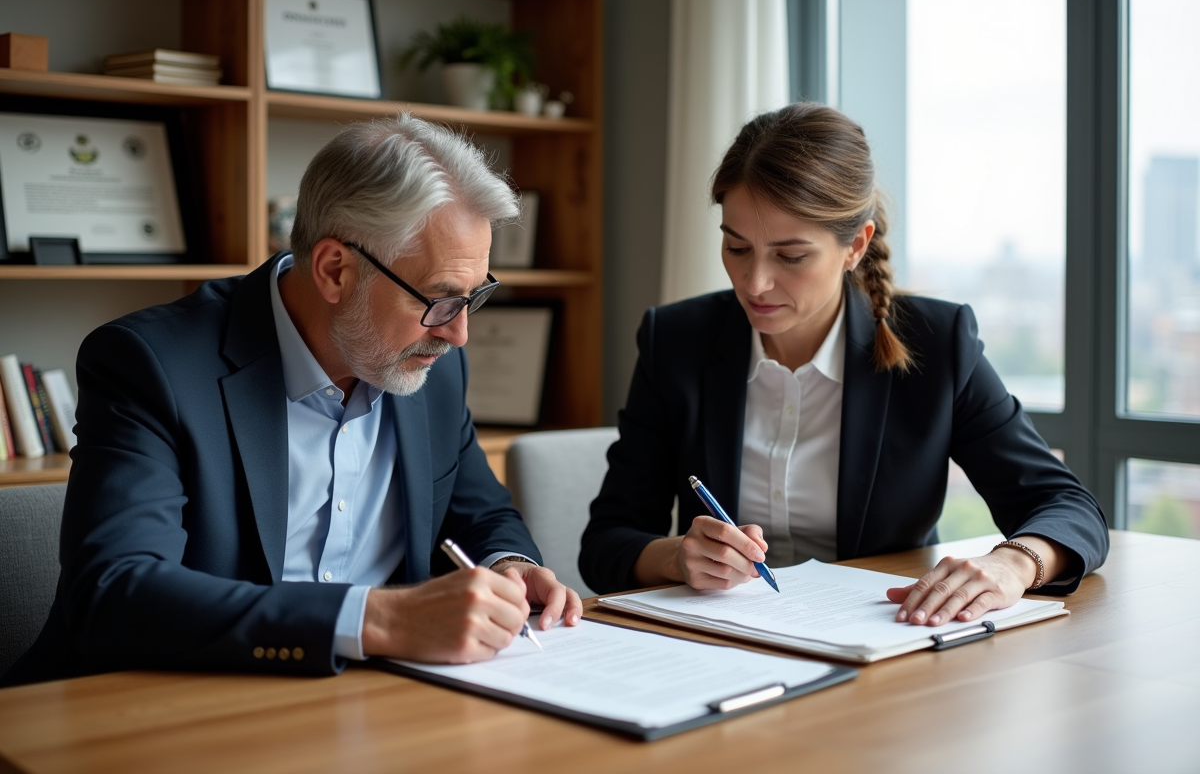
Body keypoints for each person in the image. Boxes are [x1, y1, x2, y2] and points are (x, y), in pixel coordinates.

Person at [3, 114, 581, 688]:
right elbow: (115, 592)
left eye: (472, 298)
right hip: (156, 705)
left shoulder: (430, 363)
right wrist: (376, 618)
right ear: (335, 270)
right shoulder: (151, 364)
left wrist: (512, 566)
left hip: (375, 703)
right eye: (439, 299)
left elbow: (480, 514)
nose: (458, 334)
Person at [579, 103, 1109, 627]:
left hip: (881, 646)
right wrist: (676, 557)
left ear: (856, 245)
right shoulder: (677, 340)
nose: (755, 283)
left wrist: (1013, 565)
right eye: (737, 247)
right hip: (725, 645)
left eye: (790, 256)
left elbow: (1068, 507)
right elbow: (606, 541)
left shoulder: (936, 343)